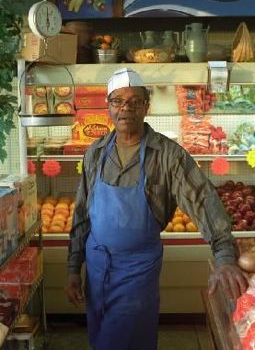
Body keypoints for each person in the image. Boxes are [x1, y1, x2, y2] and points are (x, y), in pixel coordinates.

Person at [65, 67, 248, 350]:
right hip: (97, 267)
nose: (126, 108)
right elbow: (81, 215)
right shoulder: (96, 152)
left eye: (135, 101)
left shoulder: (167, 155)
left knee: (127, 339)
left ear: (146, 107)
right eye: (118, 100)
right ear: (108, 106)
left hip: (137, 269)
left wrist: (224, 256)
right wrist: (73, 268)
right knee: (100, 337)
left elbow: (203, 200)